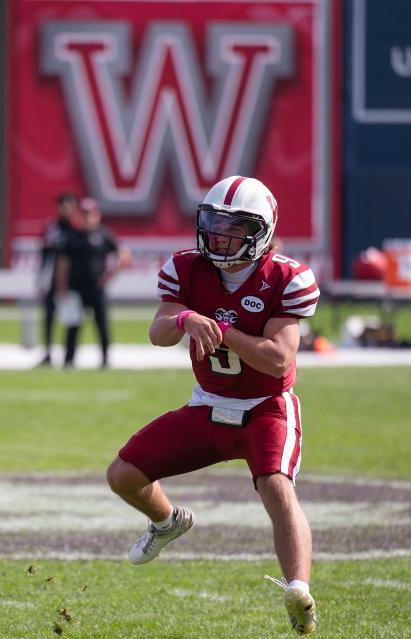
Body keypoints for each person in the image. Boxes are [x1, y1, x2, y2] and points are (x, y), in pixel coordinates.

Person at [105, 176, 320, 635]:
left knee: (277, 490)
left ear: (260, 231)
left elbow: (278, 357)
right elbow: (159, 333)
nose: (220, 235)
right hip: (207, 405)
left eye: (233, 226)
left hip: (266, 407)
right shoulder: (187, 268)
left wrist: (223, 331)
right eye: (214, 223)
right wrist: (184, 317)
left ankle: (298, 589)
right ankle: (166, 522)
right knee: (122, 475)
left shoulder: (286, 277)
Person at [55, 197, 126, 368]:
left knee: (101, 325)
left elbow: (122, 255)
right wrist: (62, 286)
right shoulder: (72, 236)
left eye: (90, 214)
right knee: (73, 325)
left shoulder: (103, 235)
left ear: (97, 215)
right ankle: (69, 360)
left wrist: (109, 276)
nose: (87, 217)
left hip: (96, 288)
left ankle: (105, 359)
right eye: (84, 213)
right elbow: (63, 263)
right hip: (76, 288)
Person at [36, 192, 79, 367]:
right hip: (52, 279)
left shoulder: (77, 227)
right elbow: (45, 252)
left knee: (72, 318)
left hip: (73, 281)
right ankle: (48, 353)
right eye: (63, 205)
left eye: (69, 205)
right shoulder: (52, 227)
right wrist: (41, 278)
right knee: (48, 316)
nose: (66, 209)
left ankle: (69, 356)